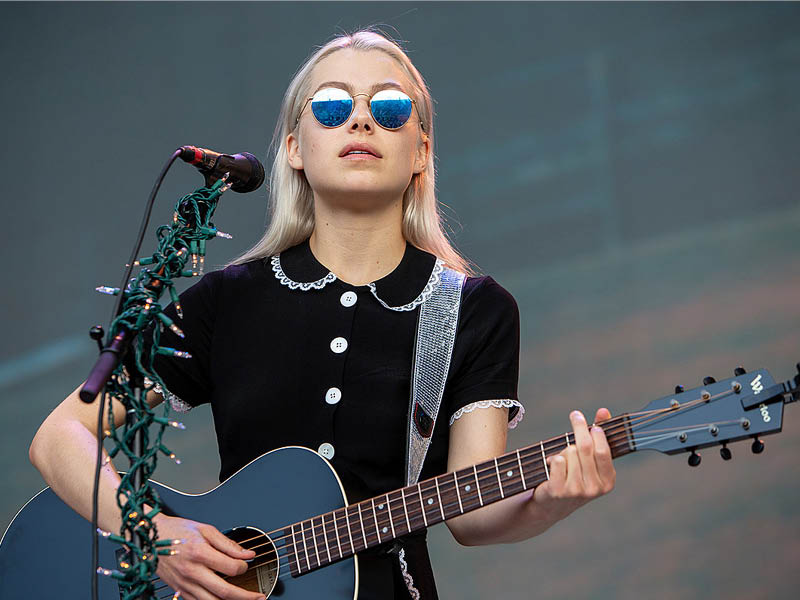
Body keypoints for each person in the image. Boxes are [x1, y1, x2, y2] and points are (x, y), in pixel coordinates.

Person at [29, 29, 616, 600]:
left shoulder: (473, 309)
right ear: (294, 147)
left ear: (420, 152)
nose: (360, 120)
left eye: (389, 107)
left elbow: (472, 515)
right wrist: (158, 539)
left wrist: (550, 501)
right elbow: (60, 437)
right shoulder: (225, 301)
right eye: (332, 105)